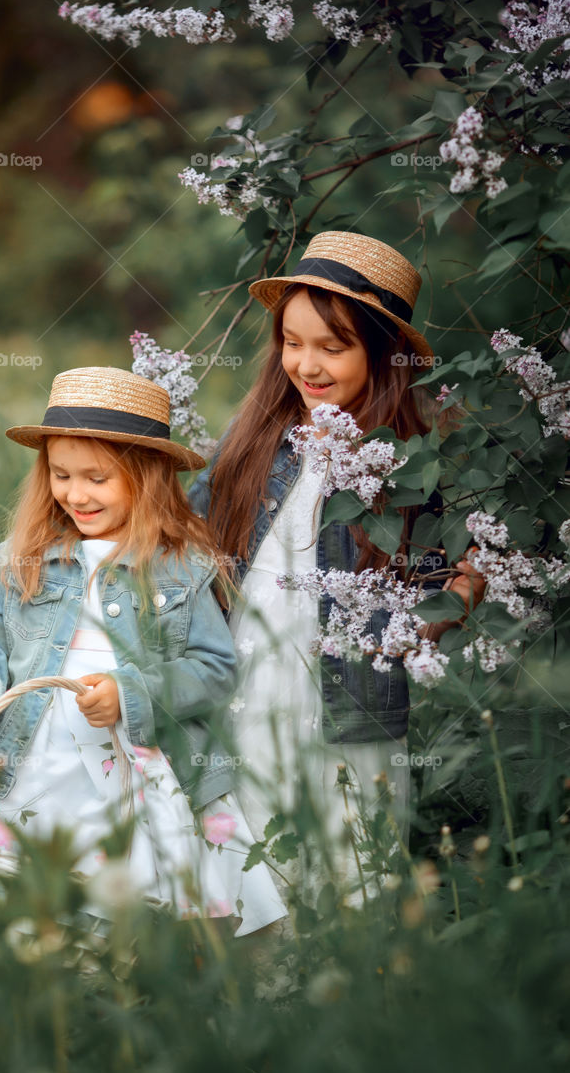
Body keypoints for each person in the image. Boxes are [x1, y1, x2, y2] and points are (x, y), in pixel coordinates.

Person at [0, 366, 286, 937]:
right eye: (61, 475)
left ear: (146, 477)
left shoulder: (183, 566)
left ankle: (107, 974)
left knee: (112, 902)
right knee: (12, 891)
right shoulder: (23, 555)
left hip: (129, 762)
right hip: (31, 754)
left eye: (97, 478)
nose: (76, 494)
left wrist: (133, 694)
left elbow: (215, 669)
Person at [188, 231, 484, 908]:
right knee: (250, 864)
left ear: (382, 355)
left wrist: (449, 603)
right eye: (292, 342)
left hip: (348, 710)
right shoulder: (255, 441)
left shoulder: (407, 468)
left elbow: (441, 586)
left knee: (345, 860)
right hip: (246, 691)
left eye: (332, 345)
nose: (306, 364)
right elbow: (181, 535)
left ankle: (349, 985)